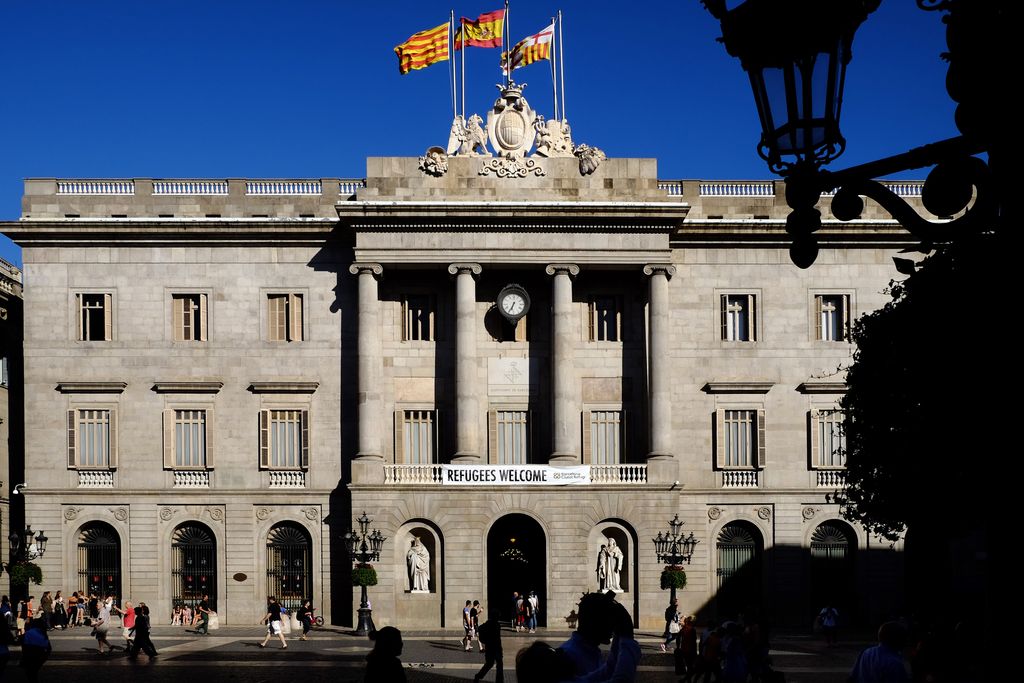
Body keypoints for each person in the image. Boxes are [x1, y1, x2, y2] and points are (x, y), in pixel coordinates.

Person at [523, 592, 640, 683]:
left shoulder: (579, 653)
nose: (612, 625)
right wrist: (627, 639)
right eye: (608, 619)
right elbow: (620, 680)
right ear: (595, 622)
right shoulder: (570, 657)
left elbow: (608, 670)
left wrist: (620, 636)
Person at [19, 618, 51, 683]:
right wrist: (46, 655)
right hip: (41, 654)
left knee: (30, 672)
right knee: (33, 671)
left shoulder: (29, 632)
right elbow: (49, 647)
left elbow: (22, 643)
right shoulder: (42, 632)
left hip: (30, 653)